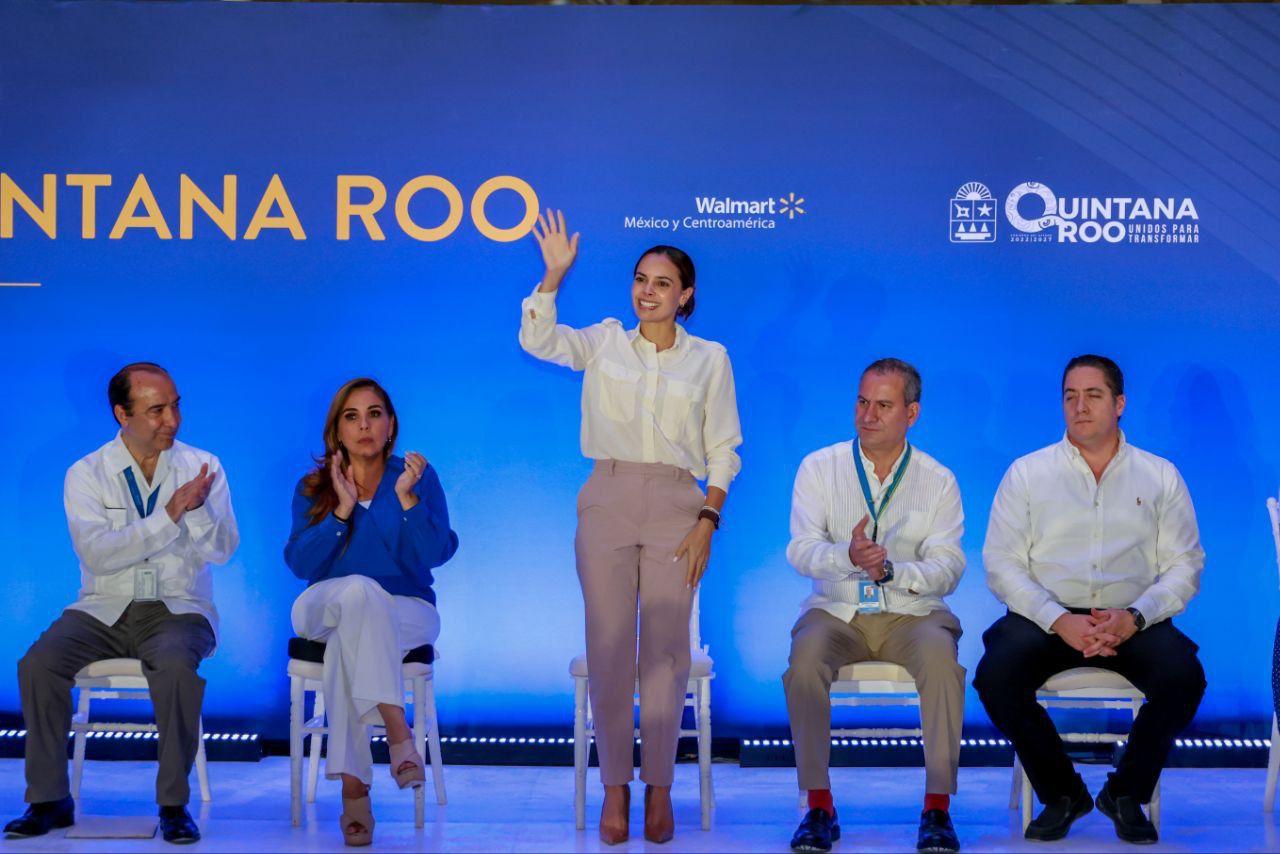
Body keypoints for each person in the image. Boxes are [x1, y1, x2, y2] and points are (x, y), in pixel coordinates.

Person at [519, 210, 742, 844]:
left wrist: (708, 518)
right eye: (641, 279)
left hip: (679, 503)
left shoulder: (711, 359)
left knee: (667, 652)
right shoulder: (605, 341)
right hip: (607, 496)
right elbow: (540, 342)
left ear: (686, 294)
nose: (648, 291)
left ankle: (659, 789)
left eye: (662, 283)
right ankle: (615, 787)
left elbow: (724, 448)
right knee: (610, 644)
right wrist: (552, 276)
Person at [975, 354, 1206, 845]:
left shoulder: (1160, 475)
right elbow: (1001, 563)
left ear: (1119, 404)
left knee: (1184, 677)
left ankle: (1125, 792)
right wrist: (1059, 619)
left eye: (1093, 395)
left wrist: (1135, 617)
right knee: (996, 676)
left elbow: (1185, 565)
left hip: (1131, 618)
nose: (1079, 407)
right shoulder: (1028, 473)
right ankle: (1063, 793)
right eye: (1070, 396)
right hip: (1045, 618)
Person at [5, 362, 238, 845]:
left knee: (175, 668)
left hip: (178, 607)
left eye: (175, 406)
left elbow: (223, 551)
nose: (172, 420)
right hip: (102, 607)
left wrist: (195, 510)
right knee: (38, 665)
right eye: (157, 410)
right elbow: (98, 554)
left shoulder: (203, 466)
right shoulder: (86, 473)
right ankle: (49, 798)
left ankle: (173, 804)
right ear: (122, 414)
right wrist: (169, 514)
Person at [783, 359, 965, 853]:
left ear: (912, 413)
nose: (868, 415)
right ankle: (819, 806)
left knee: (942, 662)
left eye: (883, 405)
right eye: (862, 402)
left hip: (913, 613)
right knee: (804, 661)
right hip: (836, 610)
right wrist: (848, 556)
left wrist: (892, 571)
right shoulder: (819, 467)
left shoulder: (938, 479)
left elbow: (949, 567)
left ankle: (937, 808)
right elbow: (800, 550)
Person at [284, 377, 458, 847]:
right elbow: (300, 563)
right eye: (352, 416)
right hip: (324, 605)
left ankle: (354, 793)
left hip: (407, 608)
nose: (364, 426)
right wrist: (340, 513)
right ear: (337, 430)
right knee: (359, 592)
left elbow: (436, 553)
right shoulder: (314, 486)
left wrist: (407, 501)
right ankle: (398, 731)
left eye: (374, 414)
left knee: (350, 642)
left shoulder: (416, 477)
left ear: (390, 425)